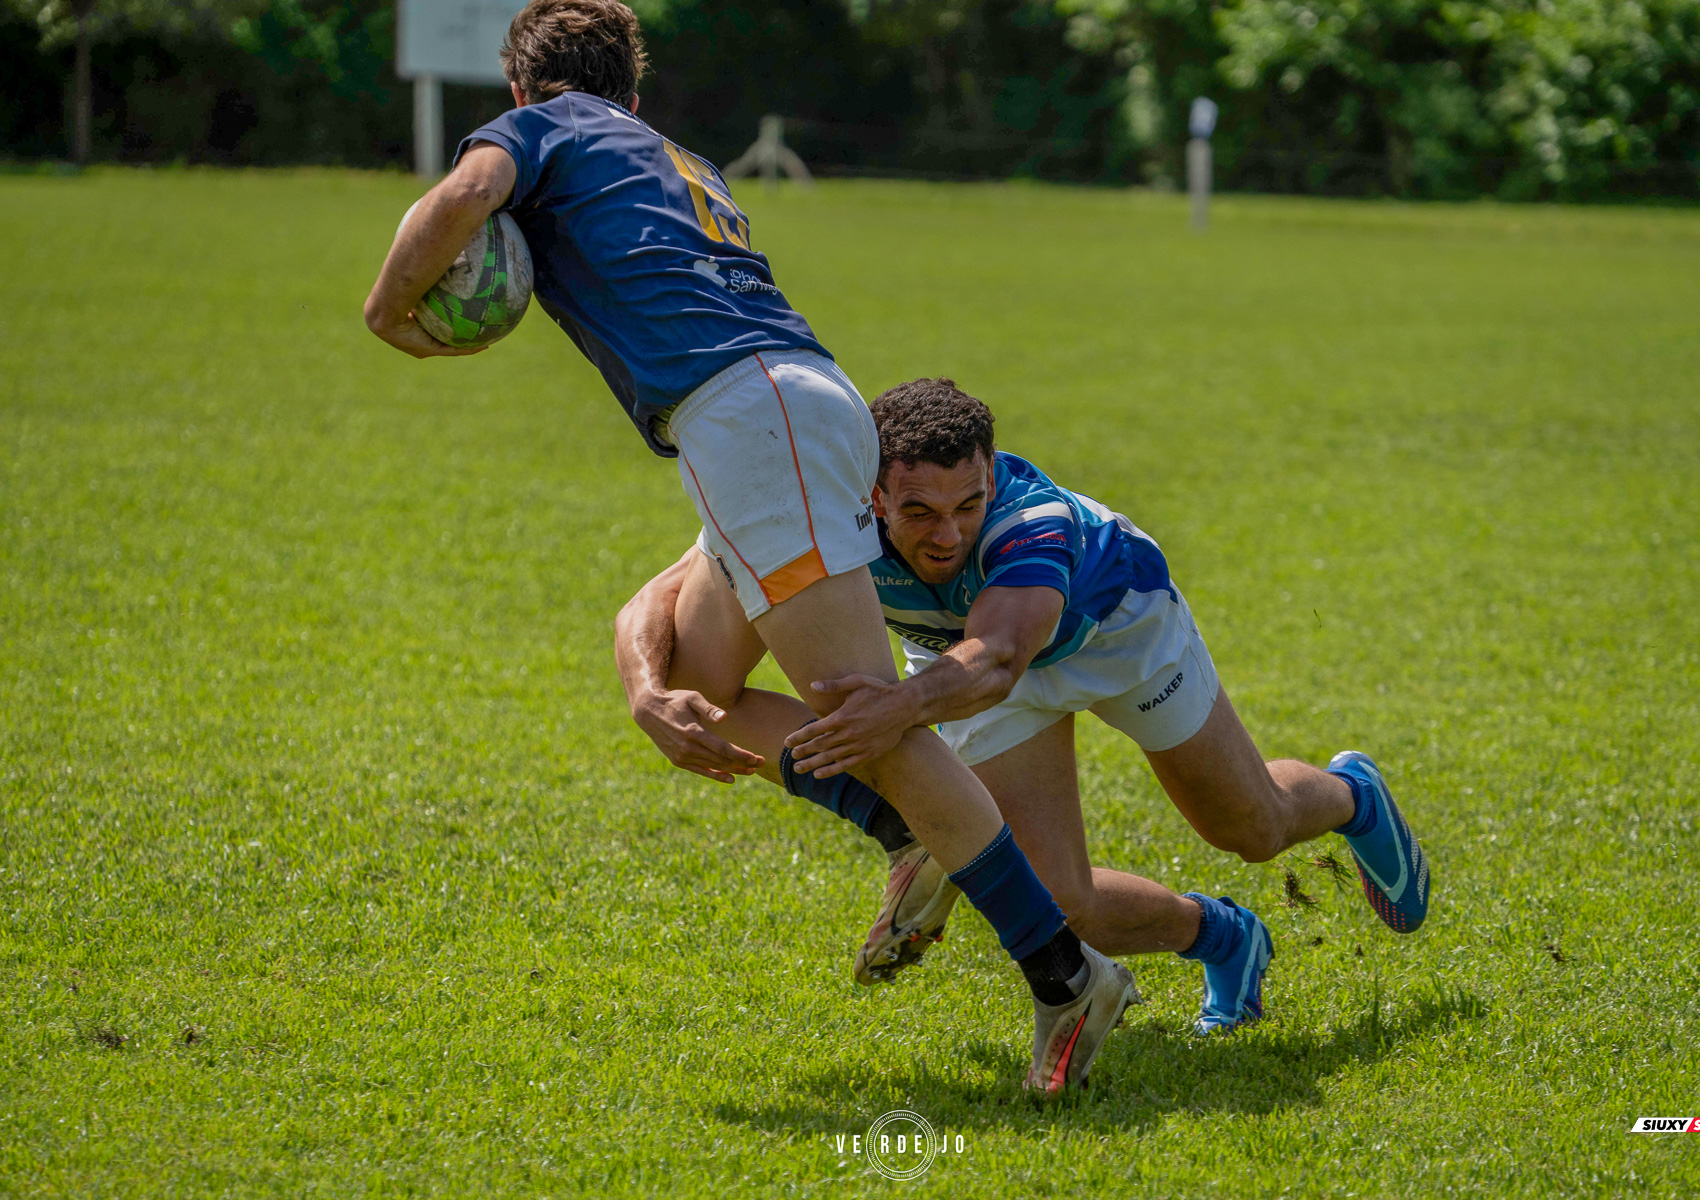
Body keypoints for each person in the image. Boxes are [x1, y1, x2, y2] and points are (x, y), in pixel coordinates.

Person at [362, 0, 1136, 1095]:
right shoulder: (669, 151)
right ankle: (900, 834)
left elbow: (467, 194)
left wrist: (392, 309)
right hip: (792, 395)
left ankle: (1068, 976)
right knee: (692, 676)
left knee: (863, 705)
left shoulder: (542, 129)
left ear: (525, 91)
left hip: (747, 416)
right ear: (631, 92)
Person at [615, 378, 1431, 1035]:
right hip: (953, 664)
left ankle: (1352, 793)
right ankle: (1223, 935)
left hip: (1112, 633)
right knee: (1057, 902)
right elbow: (667, 591)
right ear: (869, 493)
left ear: (990, 474)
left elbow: (998, 658)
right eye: (921, 513)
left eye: (968, 504)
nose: (949, 535)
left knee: (1251, 827)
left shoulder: (1029, 524)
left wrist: (896, 712)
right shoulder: (826, 501)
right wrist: (647, 687)